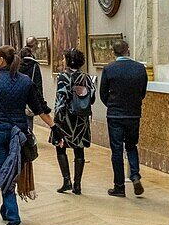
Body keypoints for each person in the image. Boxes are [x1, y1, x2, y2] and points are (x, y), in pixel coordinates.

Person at [0, 45, 54, 225]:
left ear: (2, 60)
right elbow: (38, 108)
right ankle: (6, 209)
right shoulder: (26, 81)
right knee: (9, 170)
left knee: (5, 172)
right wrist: (54, 126)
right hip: (18, 133)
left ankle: (12, 214)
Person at [99, 39, 148, 197]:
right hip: (133, 114)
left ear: (114, 52)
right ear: (128, 50)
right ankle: (134, 175)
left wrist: (112, 105)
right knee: (132, 146)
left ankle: (119, 186)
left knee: (117, 150)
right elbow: (142, 92)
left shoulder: (109, 69)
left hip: (115, 114)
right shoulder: (140, 68)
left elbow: (103, 93)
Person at [49, 48, 94, 194]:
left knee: (60, 147)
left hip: (66, 119)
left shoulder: (63, 77)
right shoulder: (86, 77)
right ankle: (78, 184)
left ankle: (66, 180)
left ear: (68, 60)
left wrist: (56, 121)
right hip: (81, 119)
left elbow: (60, 100)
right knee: (79, 150)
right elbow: (91, 98)